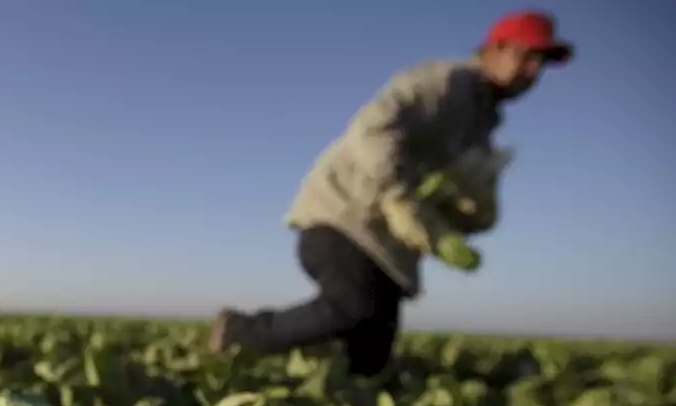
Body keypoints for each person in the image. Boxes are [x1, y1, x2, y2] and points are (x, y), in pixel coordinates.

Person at [207, 10, 575, 376]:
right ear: (496, 48)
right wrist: (397, 195)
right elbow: (373, 128)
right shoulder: (447, 83)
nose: (533, 73)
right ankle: (239, 332)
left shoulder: (483, 121)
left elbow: (437, 189)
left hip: (390, 246)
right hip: (346, 216)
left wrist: (464, 215)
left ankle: (328, 400)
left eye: (540, 63)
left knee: (371, 357)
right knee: (352, 306)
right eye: (526, 57)